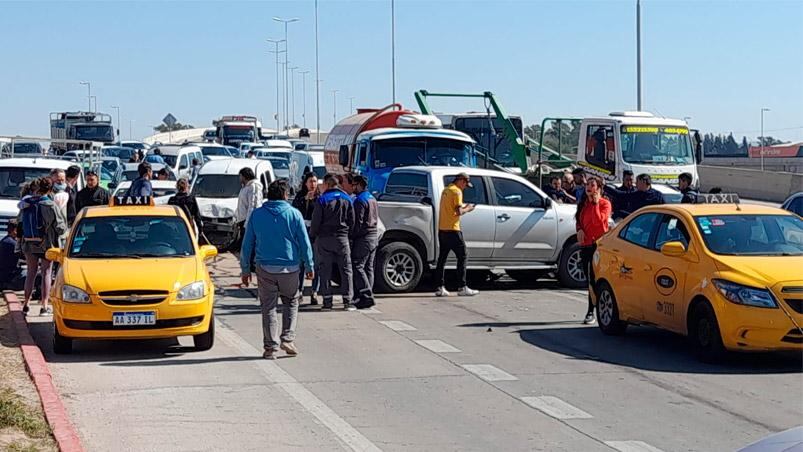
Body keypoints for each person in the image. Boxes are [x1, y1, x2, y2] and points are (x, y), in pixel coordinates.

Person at [241, 180, 313, 360]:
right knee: (291, 301)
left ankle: (270, 348)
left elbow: (247, 243)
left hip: (265, 268)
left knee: (268, 307)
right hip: (291, 267)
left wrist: (245, 269)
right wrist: (310, 265)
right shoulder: (294, 214)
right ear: (285, 195)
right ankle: (287, 338)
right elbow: (304, 243)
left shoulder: (257, 215)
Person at [18, 177, 66, 316]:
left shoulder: (25, 204)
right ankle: (44, 305)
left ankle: (25, 303)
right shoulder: (50, 205)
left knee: (31, 273)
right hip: (46, 244)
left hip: (28, 242)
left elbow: (19, 221)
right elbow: (60, 228)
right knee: (46, 273)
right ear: (50, 190)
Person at [310, 174, 355, 311]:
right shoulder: (347, 199)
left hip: (325, 239)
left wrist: (313, 236)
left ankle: (327, 302)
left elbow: (316, 222)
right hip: (342, 238)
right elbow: (352, 220)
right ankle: (348, 301)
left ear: (328, 185)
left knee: (325, 270)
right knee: (346, 270)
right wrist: (349, 235)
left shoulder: (322, 199)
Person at [434, 173, 478, 297]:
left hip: (442, 229)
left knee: (442, 259)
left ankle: (439, 287)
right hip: (453, 229)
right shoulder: (457, 192)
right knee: (463, 256)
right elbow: (458, 212)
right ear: (461, 181)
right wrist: (468, 208)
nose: (464, 187)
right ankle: (462, 286)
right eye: (465, 184)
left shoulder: (446, 190)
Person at [575, 176, 611, 325]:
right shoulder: (584, 204)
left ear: (599, 188)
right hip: (585, 245)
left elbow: (599, 222)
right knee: (589, 280)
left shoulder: (605, 204)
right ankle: (593, 308)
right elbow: (579, 220)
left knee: (595, 278)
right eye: (587, 185)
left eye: (592, 185)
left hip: (598, 245)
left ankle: (592, 310)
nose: (589, 187)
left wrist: (595, 204)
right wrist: (579, 230)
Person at [291, 172, 321, 304]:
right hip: (302, 231)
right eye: (310, 181)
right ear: (305, 183)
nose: (313, 184)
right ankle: (299, 290)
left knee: (315, 262)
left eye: (315, 181)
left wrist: (314, 200)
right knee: (302, 263)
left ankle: (314, 292)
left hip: (315, 233)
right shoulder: (299, 196)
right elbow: (295, 211)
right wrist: (305, 200)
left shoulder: (320, 197)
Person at [350, 175, 379, 309]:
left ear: (359, 185)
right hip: (374, 235)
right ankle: (366, 294)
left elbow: (358, 222)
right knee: (368, 267)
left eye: (354, 185)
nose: (352, 187)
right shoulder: (372, 198)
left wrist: (352, 236)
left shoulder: (359, 200)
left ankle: (366, 295)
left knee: (358, 265)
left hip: (364, 237)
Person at [235, 167, 263, 239]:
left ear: (244, 176)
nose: (239, 178)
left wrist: (247, 224)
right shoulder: (244, 187)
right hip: (242, 221)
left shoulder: (253, 186)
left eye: (240, 176)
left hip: (248, 222)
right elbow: (242, 204)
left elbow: (253, 206)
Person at [0, 219, 25, 291]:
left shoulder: (5, 240)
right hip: (9, 278)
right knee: (36, 275)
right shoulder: (13, 244)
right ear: (15, 230)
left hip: (4, 275)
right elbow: (25, 257)